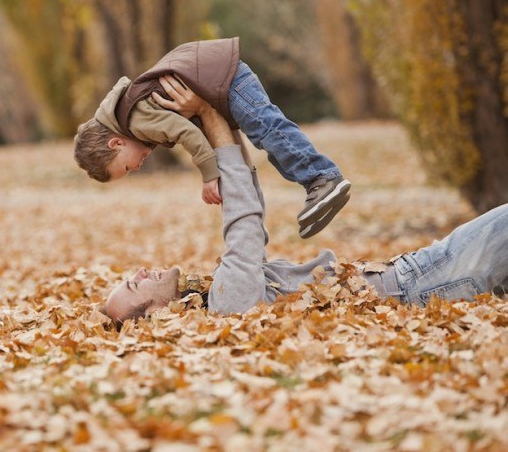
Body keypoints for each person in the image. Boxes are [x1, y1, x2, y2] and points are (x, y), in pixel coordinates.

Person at [103, 78, 508, 327]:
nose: (138, 273)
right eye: (133, 286)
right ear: (155, 319)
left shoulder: (219, 296)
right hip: (420, 284)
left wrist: (219, 119)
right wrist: (209, 114)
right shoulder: (227, 305)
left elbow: (248, 200)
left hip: (416, 275)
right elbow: (244, 219)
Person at [74, 37, 351, 239]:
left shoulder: (136, 119)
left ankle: (321, 177)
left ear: (116, 143)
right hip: (220, 80)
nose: (136, 168)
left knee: (266, 128)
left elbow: (188, 133)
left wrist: (208, 175)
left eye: (126, 167)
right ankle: (301, 195)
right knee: (263, 135)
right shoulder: (132, 114)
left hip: (225, 80)